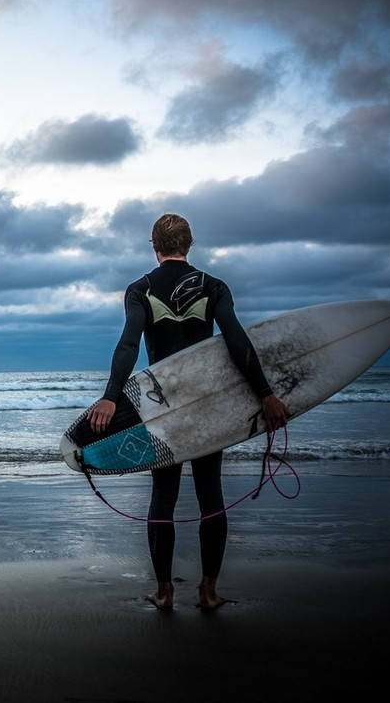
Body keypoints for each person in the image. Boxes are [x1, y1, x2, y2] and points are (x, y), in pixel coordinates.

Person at [87, 213, 289, 610]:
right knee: (210, 493)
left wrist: (111, 396)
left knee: (163, 495)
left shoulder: (140, 289)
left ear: (154, 245)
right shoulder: (213, 287)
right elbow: (236, 341)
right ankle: (208, 591)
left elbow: (128, 344)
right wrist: (265, 393)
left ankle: (163, 592)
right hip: (205, 405)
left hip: (163, 408)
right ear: (189, 244)